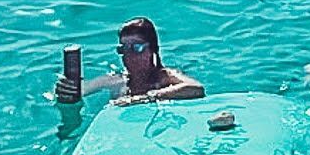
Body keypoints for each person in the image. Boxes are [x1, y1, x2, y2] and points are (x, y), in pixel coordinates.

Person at [54, 17, 204, 105]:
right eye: (123, 49)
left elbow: (196, 88)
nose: (128, 55)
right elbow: (82, 91)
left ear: (152, 49)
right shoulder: (115, 81)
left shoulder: (164, 77)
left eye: (136, 48)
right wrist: (65, 91)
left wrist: (146, 98)